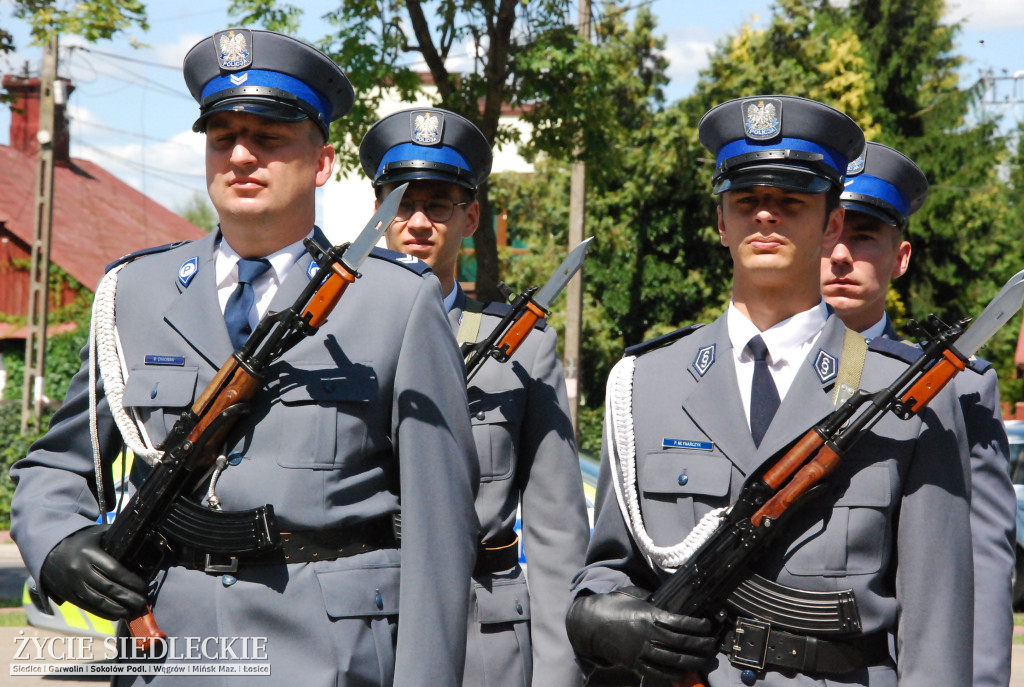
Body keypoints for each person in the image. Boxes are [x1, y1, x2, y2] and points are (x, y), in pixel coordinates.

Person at [10, 29, 480, 686]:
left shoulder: (396, 304)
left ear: (322, 163)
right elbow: (56, 465)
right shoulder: (135, 294)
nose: (240, 155)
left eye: (268, 137)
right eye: (222, 135)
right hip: (167, 656)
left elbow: (440, 533)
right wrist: (58, 544)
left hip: (329, 659)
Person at [565, 95, 975, 686]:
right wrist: (601, 613)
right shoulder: (646, 383)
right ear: (721, 221)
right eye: (748, 201)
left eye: (790, 202)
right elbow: (610, 565)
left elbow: (935, 634)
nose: (765, 217)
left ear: (832, 223)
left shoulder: (903, 395)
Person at [358, 107, 590, 687]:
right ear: (380, 212)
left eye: (438, 204)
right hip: (359, 628)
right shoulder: (337, 340)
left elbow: (556, 532)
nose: (417, 221)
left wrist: (558, 677)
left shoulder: (521, 347)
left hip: (479, 639)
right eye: (402, 202)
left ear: (470, 217)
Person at [821, 141, 1015, 687]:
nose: (840, 256)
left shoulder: (957, 386)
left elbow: (977, 566)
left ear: (900, 258)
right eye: (830, 233)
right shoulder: (754, 372)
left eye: (863, 238)